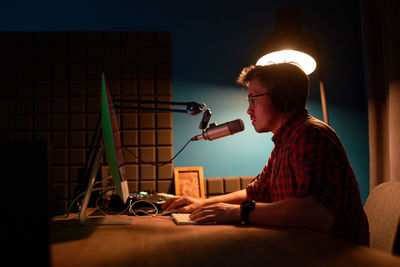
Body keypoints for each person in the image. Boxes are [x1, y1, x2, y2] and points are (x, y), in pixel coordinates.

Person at [162, 63, 369, 245]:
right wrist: (202, 203)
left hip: (335, 256)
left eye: (253, 99)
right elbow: (254, 193)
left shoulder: (310, 135)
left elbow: (317, 213)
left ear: (282, 98)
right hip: (305, 250)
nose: (248, 110)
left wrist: (239, 213)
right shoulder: (284, 141)